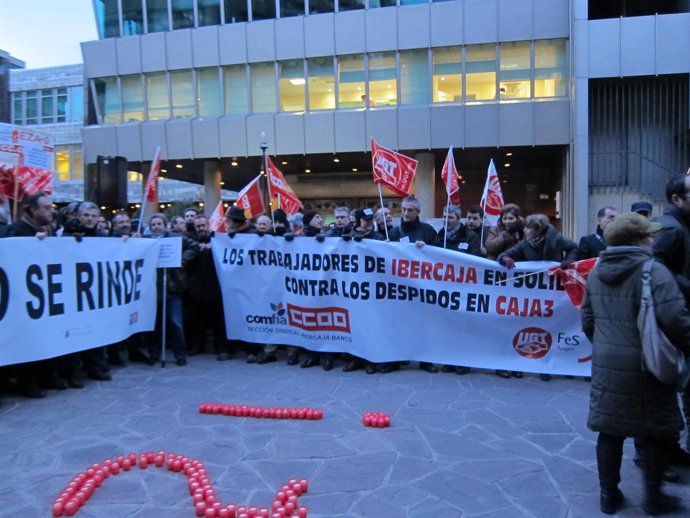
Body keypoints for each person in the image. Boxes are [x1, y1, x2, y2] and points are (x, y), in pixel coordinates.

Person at [582, 212, 690, 516]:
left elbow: (587, 318)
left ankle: (608, 495)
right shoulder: (653, 271)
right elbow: (676, 320)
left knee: (610, 430)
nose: (653, 239)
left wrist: (605, 346)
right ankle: (654, 499)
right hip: (648, 363)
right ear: (637, 240)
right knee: (654, 430)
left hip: (606, 363)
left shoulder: (596, 270)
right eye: (648, 235)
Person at [498, 214, 577, 381]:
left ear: (538, 229)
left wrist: (569, 261)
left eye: (528, 227)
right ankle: (522, 364)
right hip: (534, 294)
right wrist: (506, 258)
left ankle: (546, 366)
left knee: (551, 327)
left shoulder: (556, 238)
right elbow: (506, 253)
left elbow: (574, 248)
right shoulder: (525, 242)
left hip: (554, 292)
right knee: (529, 327)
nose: (525, 230)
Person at [652, 174, 690, 465]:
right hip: (674, 318)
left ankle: (669, 448)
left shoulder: (680, 226)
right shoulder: (671, 228)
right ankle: (661, 454)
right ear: (677, 198)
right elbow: (655, 268)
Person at [387, 196, 440, 374]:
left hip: (421, 288)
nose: (406, 213)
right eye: (403, 209)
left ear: (418, 212)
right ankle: (397, 357)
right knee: (399, 323)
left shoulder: (428, 231)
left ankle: (425, 360)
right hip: (399, 289)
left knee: (422, 325)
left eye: (410, 210)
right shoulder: (394, 233)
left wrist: (427, 249)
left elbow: (440, 255)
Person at [147, 213, 198, 366]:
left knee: (175, 323)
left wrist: (181, 260)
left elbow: (193, 246)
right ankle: (154, 354)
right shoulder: (146, 240)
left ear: (165, 225)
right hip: (153, 289)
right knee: (155, 325)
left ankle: (180, 355)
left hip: (172, 287)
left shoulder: (175, 238)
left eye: (159, 224)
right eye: (154, 225)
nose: (157, 227)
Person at [438, 205, 480, 375]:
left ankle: (463, 361)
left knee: (463, 327)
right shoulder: (440, 235)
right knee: (448, 326)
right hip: (445, 288)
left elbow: (476, 260)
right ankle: (449, 359)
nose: (446, 220)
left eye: (450, 217)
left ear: (458, 219)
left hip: (464, 288)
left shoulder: (471, 237)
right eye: (444, 216)